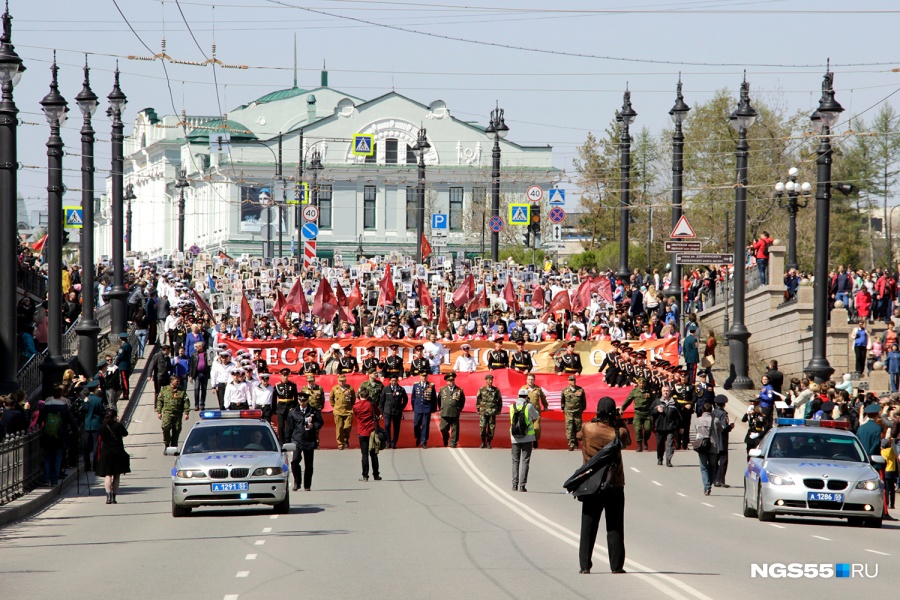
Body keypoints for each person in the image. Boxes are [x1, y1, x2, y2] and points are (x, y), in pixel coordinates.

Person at [576, 396, 630, 575]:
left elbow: (577, 435)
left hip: (591, 483)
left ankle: (585, 566)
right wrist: (619, 419)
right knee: (614, 526)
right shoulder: (618, 432)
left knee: (588, 526)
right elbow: (627, 441)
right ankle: (616, 566)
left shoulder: (587, 428)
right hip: (613, 484)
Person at [38, 384, 76, 486]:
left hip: (47, 434)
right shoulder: (63, 406)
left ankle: (46, 479)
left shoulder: (46, 406)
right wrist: (75, 429)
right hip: (60, 435)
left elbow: (39, 420)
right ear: (61, 395)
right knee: (57, 458)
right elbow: (71, 420)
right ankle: (54, 480)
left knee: (47, 458)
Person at [285, 391, 323, 491]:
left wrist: (313, 425)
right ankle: (297, 483)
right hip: (297, 439)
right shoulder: (293, 412)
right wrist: (287, 442)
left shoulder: (313, 411)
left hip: (309, 439)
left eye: (304, 400)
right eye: (300, 400)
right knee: (295, 461)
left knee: (309, 464)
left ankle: (307, 485)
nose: (302, 402)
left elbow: (320, 422)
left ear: (307, 400)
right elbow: (289, 428)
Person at [96, 408, 130, 504]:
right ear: (115, 416)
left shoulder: (102, 427)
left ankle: (108, 496)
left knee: (107, 475)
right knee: (116, 475)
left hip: (106, 452)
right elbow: (125, 433)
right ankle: (114, 497)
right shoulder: (118, 425)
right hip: (118, 452)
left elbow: (100, 436)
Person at [510, 389, 539, 492]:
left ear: (518, 396)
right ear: (527, 397)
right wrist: (529, 404)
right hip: (527, 438)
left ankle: (514, 484)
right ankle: (522, 485)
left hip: (515, 438)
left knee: (515, 461)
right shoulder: (529, 406)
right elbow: (536, 415)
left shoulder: (512, 406)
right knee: (525, 461)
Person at [353, 388, 382, 481]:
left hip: (362, 431)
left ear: (359, 396)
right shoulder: (372, 405)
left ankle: (365, 475)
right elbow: (379, 414)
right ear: (368, 395)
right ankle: (376, 475)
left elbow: (356, 415)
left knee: (364, 455)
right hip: (372, 431)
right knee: (374, 454)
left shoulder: (355, 406)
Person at [155, 375, 191, 451]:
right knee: (165, 427)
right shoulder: (165, 390)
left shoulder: (181, 391)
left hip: (177, 414)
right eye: (176, 381)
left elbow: (186, 402)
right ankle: (167, 443)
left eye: (179, 381)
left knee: (177, 429)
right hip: (167, 413)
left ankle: (173, 446)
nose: (178, 382)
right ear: (171, 381)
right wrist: (159, 412)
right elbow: (159, 401)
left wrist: (186, 412)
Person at [694, 403, 722, 496]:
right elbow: (721, 430)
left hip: (701, 446)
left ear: (702, 410)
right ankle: (709, 483)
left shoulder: (697, 420)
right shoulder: (715, 420)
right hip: (713, 446)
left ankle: (706, 487)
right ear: (711, 411)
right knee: (713, 466)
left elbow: (696, 431)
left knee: (703, 467)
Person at [650, 384, 680, 467]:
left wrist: (681, 427)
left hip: (671, 427)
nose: (666, 392)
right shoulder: (657, 401)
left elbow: (679, 415)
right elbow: (650, 412)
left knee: (669, 444)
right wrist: (657, 410)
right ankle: (660, 458)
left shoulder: (674, 402)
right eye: (664, 391)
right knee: (660, 444)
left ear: (670, 391)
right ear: (661, 391)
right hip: (660, 426)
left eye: (667, 391)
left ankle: (668, 460)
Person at [82, 379, 106, 471]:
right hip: (96, 425)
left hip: (87, 425)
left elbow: (83, 411)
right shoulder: (99, 400)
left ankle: (87, 465)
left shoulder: (85, 399)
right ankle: (96, 465)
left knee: (86, 447)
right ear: (95, 388)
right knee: (96, 446)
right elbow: (102, 411)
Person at [380, 375, 408, 448]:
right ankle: (388, 442)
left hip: (397, 411)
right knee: (387, 426)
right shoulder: (385, 389)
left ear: (397, 381)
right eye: (392, 380)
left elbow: (405, 399)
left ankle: (394, 442)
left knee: (396, 428)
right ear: (389, 381)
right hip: (387, 411)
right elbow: (382, 401)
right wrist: (381, 411)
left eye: (395, 381)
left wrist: (401, 408)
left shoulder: (401, 389)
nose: (393, 382)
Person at [438, 372, 465, 448]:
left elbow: (462, 401)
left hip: (454, 412)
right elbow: (439, 400)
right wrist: (442, 408)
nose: (451, 382)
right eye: (449, 381)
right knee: (443, 428)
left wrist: (459, 409)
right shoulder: (442, 389)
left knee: (455, 429)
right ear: (446, 381)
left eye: (452, 380)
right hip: (445, 412)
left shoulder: (459, 390)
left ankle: (453, 443)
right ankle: (445, 438)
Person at [560, 375, 586, 451]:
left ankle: (577, 442)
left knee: (578, 428)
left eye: (574, 380)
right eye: (571, 380)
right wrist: (564, 409)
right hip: (569, 413)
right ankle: (571, 444)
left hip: (577, 412)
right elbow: (562, 402)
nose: (573, 381)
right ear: (568, 381)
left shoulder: (580, 390)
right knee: (569, 429)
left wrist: (581, 410)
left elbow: (583, 401)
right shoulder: (565, 390)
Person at [476, 374, 502, 449]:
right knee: (482, 426)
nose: (491, 381)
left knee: (491, 427)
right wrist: (478, 409)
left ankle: (488, 442)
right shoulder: (481, 389)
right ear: (486, 380)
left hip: (492, 411)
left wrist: (499, 409)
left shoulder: (496, 390)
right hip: (483, 411)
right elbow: (478, 399)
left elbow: (499, 400)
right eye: (489, 380)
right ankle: (483, 441)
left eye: (491, 380)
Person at [523, 373, 549, 448]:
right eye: (529, 379)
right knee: (528, 427)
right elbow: (519, 398)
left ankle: (535, 439)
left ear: (534, 380)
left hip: (536, 412)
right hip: (526, 411)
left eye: (532, 379)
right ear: (526, 380)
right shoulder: (523, 388)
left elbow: (543, 398)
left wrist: (545, 406)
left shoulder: (538, 389)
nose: (530, 381)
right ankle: (529, 442)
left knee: (536, 428)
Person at [712, 395, 733, 488]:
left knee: (715, 460)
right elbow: (724, 428)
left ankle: (714, 479)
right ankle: (720, 480)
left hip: (714, 440)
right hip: (722, 440)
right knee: (723, 461)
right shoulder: (723, 414)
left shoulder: (712, 412)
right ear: (724, 404)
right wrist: (730, 427)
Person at [411, 372, 437, 448]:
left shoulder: (431, 385)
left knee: (425, 425)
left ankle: (424, 441)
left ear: (427, 377)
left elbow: (434, 398)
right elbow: (413, 397)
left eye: (425, 376)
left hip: (427, 408)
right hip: (418, 408)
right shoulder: (416, 385)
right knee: (416, 424)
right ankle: (418, 437)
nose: (424, 378)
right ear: (420, 377)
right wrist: (414, 407)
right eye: (422, 376)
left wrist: (434, 408)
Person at [330, 374, 356, 450]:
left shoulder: (350, 388)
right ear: (338, 381)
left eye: (343, 381)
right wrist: (335, 406)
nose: (341, 382)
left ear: (345, 380)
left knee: (347, 427)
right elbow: (331, 399)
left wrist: (350, 406)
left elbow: (353, 399)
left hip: (348, 410)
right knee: (339, 427)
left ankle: (345, 439)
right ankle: (340, 443)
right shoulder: (335, 388)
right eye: (340, 381)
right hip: (338, 410)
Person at [274, 367, 298, 444]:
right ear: (281, 376)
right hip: (281, 407)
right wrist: (274, 409)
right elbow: (274, 398)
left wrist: (294, 407)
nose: (285, 377)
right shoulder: (277, 386)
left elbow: (296, 397)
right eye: (284, 376)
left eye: (287, 375)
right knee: (280, 426)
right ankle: (281, 441)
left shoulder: (292, 385)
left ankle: (289, 440)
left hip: (290, 407)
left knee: (289, 425)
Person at [188, 341, 212, 411]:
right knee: (196, 389)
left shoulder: (207, 354)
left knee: (204, 390)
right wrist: (191, 376)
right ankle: (196, 405)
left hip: (205, 374)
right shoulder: (194, 355)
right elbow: (192, 366)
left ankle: (202, 404)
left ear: (201, 347)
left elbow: (210, 363)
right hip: (197, 374)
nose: (195, 348)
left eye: (197, 347)